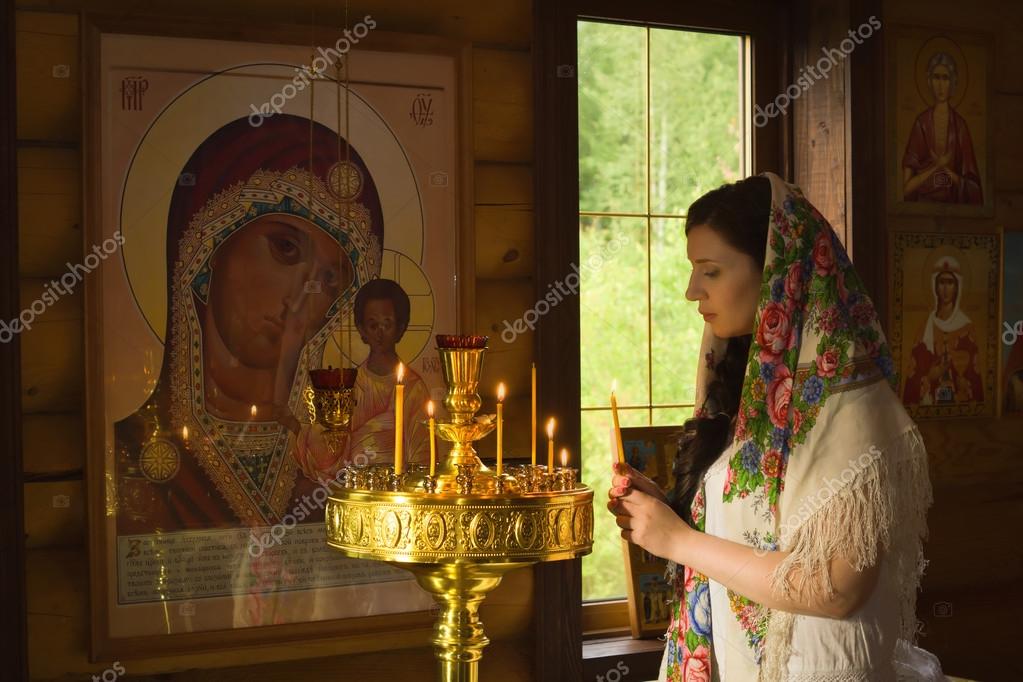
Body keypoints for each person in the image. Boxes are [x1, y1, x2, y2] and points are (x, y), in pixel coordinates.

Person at [608, 173, 943, 680]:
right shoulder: (759, 401)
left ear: (775, 271)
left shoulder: (853, 407)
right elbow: (755, 532)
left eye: (711, 271)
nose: (690, 290)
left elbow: (836, 589)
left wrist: (678, 541)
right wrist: (667, 513)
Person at [115, 114, 384, 533]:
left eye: (330, 279)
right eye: (285, 249)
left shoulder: (336, 462)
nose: (301, 298)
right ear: (208, 249)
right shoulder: (125, 456)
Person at [292, 278, 431, 481]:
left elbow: (422, 458)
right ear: (362, 329)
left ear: (401, 327)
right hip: (356, 492)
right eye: (373, 325)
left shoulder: (413, 389)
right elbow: (334, 454)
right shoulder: (349, 387)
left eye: (387, 324)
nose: (380, 333)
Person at [901, 51, 983, 204]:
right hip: (923, 209)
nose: (940, 85)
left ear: (953, 82)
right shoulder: (921, 124)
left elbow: (974, 189)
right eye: (936, 77)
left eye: (945, 78)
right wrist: (936, 167)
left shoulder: (960, 126)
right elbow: (906, 189)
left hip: (954, 211)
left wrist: (949, 174)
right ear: (929, 81)